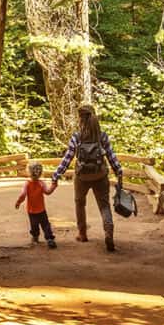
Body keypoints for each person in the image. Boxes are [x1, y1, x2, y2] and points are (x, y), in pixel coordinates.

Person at [50, 104, 124, 252]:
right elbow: (111, 156)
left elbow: (68, 158)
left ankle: (82, 233)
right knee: (104, 205)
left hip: (82, 177)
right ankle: (108, 231)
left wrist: (56, 175)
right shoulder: (102, 136)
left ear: (81, 119)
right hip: (100, 175)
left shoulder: (77, 137)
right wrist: (118, 171)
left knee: (80, 203)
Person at [15, 162, 57, 249]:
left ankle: (35, 237)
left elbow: (23, 195)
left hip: (31, 210)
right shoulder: (41, 183)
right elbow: (48, 192)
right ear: (40, 173)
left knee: (34, 225)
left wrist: (18, 202)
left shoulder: (26, 184)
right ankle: (49, 238)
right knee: (45, 225)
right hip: (41, 209)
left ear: (29, 172)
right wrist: (54, 185)